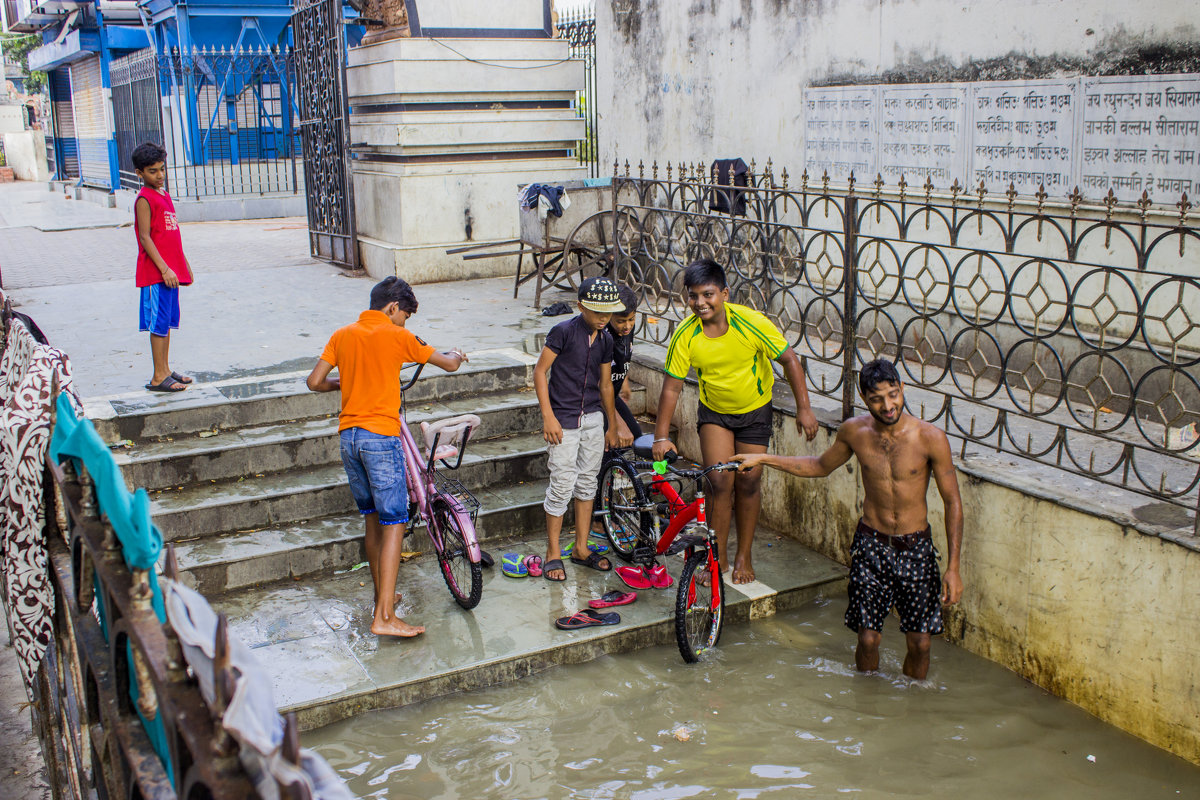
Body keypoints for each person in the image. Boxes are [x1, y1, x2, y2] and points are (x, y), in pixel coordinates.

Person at [732, 358, 964, 680]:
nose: (888, 405)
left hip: (916, 548)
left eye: (893, 395)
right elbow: (818, 466)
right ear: (864, 398)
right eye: (877, 399)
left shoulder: (930, 438)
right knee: (868, 638)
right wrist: (764, 458)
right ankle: (866, 702)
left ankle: (914, 704)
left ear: (902, 390)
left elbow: (953, 502)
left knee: (921, 643)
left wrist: (953, 567)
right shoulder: (855, 432)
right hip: (871, 545)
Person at [306, 277, 468, 638]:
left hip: (349, 438)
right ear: (393, 307)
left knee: (372, 518)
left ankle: (384, 597)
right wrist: (457, 353)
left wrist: (348, 382)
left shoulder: (342, 334)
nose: (404, 323)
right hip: (380, 436)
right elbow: (449, 364)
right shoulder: (397, 336)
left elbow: (315, 382)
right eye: (405, 316)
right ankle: (384, 617)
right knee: (394, 520)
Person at [652, 259, 818, 584]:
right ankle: (718, 557)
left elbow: (789, 360)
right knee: (719, 481)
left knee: (748, 481)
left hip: (755, 411)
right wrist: (660, 436)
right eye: (693, 296)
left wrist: (805, 409)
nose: (701, 303)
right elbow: (671, 387)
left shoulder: (750, 323)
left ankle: (744, 555)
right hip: (715, 413)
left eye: (708, 294)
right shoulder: (686, 335)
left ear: (724, 293)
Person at [534, 277, 632, 582]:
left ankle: (580, 547)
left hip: (592, 418)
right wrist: (548, 417)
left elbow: (606, 385)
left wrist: (611, 425)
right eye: (597, 311)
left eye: (608, 312)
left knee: (588, 483)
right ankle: (553, 553)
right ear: (581, 307)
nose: (604, 318)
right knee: (562, 484)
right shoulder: (562, 331)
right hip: (563, 419)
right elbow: (540, 372)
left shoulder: (605, 340)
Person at [133, 141, 194, 392]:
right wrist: (165, 269)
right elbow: (145, 237)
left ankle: (166, 369)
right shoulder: (144, 199)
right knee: (157, 325)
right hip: (156, 274)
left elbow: (171, 234)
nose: (159, 176)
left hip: (170, 272)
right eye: (152, 171)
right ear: (140, 173)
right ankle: (158, 376)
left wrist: (183, 264)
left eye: (161, 169)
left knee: (167, 323)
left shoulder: (164, 195)